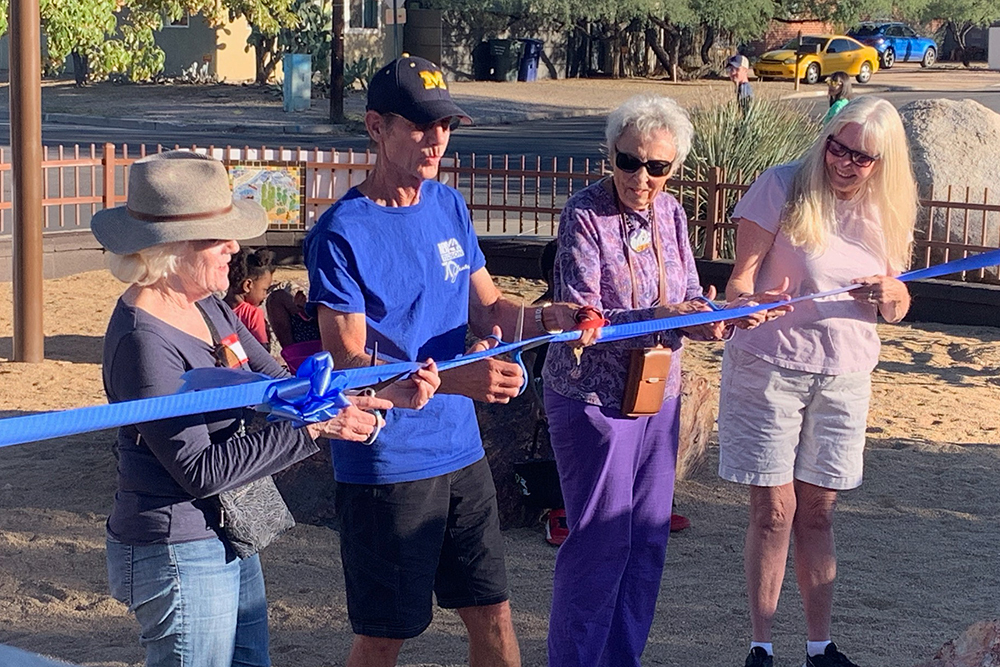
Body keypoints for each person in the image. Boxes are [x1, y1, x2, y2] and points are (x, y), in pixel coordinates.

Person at [303, 54, 595, 667]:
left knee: (493, 615)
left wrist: (547, 319)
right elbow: (349, 361)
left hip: (462, 452)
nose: (437, 138)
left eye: (446, 125)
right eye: (420, 124)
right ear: (376, 126)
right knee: (387, 635)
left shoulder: (448, 206)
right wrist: (457, 379)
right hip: (387, 463)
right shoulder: (340, 232)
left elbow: (490, 310)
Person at [93, 150, 436, 667]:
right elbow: (200, 470)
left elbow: (277, 383)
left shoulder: (204, 302)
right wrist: (318, 427)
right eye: (218, 235)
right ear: (171, 246)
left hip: (227, 528)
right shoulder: (143, 341)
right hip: (177, 542)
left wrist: (381, 392)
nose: (236, 245)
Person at [541, 94, 783, 667]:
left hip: (659, 394)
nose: (641, 178)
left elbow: (691, 299)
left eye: (657, 167)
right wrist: (681, 314)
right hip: (592, 397)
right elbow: (583, 315)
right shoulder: (583, 213)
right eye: (629, 162)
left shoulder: (672, 214)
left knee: (647, 541)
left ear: (673, 169)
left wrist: (724, 317)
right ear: (612, 155)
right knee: (600, 541)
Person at [719, 96, 918, 667]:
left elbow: (898, 301)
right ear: (826, 139)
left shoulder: (889, 207)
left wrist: (892, 296)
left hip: (844, 373)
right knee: (774, 511)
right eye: (838, 146)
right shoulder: (781, 185)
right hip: (771, 367)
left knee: (819, 512)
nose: (846, 162)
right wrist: (748, 303)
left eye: (863, 156)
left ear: (884, 162)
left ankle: (819, 647)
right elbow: (739, 283)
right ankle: (761, 646)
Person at [224, 247, 276, 348]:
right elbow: (262, 350)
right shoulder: (253, 314)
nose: (265, 296)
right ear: (248, 285)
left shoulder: (216, 308)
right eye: (264, 290)